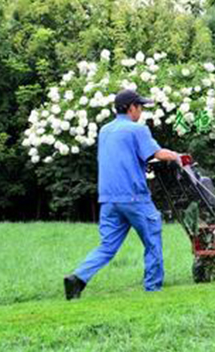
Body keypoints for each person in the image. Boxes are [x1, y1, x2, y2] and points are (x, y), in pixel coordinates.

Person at [64, 88, 181, 299]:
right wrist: (177, 156)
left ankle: (77, 279)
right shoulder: (137, 130)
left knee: (107, 246)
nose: (142, 112)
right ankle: (153, 288)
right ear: (131, 108)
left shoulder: (105, 130)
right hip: (134, 197)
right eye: (140, 107)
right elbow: (158, 153)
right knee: (152, 238)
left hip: (109, 198)